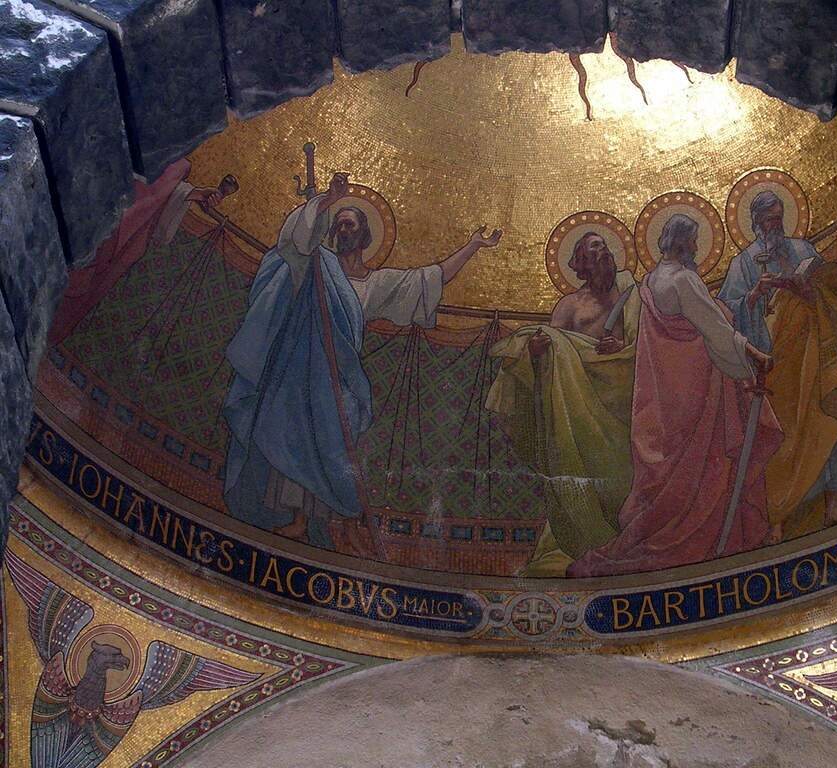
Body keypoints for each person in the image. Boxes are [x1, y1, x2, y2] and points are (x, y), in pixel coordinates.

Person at [223, 173, 501, 550]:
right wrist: (325, 201)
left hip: (338, 378)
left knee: (330, 442)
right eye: (338, 225)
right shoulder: (317, 265)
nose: (342, 230)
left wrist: (473, 246)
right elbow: (294, 243)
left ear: (365, 235)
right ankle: (296, 518)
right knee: (293, 435)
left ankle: (323, 520)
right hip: (300, 370)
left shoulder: (375, 284)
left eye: (350, 225)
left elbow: (428, 281)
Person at [567, 215, 781, 577]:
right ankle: (708, 542)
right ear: (683, 243)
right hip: (698, 396)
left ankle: (668, 538)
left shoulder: (651, 280)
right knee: (705, 471)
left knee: (673, 477)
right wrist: (755, 357)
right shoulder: (683, 279)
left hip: (666, 398)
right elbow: (716, 329)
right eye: (693, 241)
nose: (696, 247)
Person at [718, 191, 837, 543]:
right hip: (776, 365)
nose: (774, 227)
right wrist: (754, 295)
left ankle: (836, 500)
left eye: (778, 219)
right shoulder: (742, 265)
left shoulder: (802, 249)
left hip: (814, 354)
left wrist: (806, 289)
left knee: (829, 419)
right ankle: (780, 514)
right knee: (783, 438)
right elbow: (726, 316)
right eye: (768, 221)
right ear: (754, 223)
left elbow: (831, 288)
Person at [487, 232, 639, 576]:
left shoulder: (633, 296)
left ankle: (627, 537)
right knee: (582, 471)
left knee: (624, 473)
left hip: (622, 400)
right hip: (575, 405)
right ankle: (590, 541)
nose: (603, 253)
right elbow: (551, 350)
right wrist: (535, 352)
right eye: (594, 249)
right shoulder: (570, 306)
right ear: (581, 263)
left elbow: (648, 345)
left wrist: (623, 349)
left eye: (604, 247)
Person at [48, 159, 237, 346]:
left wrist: (194, 194)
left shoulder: (179, 166)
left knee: (82, 296)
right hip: (94, 216)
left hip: (127, 239)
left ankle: (48, 342)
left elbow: (164, 187)